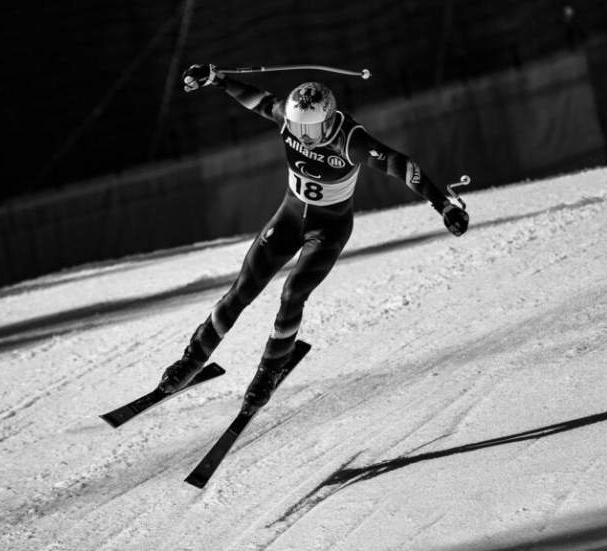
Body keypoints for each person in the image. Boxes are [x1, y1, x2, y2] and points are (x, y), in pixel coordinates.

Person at [158, 64, 469, 411]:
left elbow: (400, 164)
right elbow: (258, 100)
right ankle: (193, 357)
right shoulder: (288, 120)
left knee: (293, 293)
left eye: (312, 128)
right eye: (297, 127)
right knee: (243, 287)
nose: (303, 136)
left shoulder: (349, 140)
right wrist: (217, 79)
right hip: (289, 219)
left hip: (328, 230)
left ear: (330, 119)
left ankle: (269, 370)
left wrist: (443, 204)